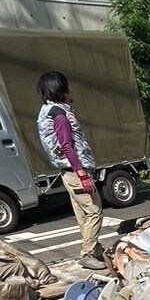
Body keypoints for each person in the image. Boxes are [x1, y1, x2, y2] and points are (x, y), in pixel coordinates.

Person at [36, 71, 106, 271]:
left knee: (82, 213)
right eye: (67, 89)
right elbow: (67, 146)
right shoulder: (60, 115)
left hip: (67, 172)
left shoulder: (47, 111)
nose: (71, 92)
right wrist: (82, 173)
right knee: (94, 212)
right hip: (75, 171)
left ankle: (95, 248)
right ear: (61, 91)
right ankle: (88, 253)